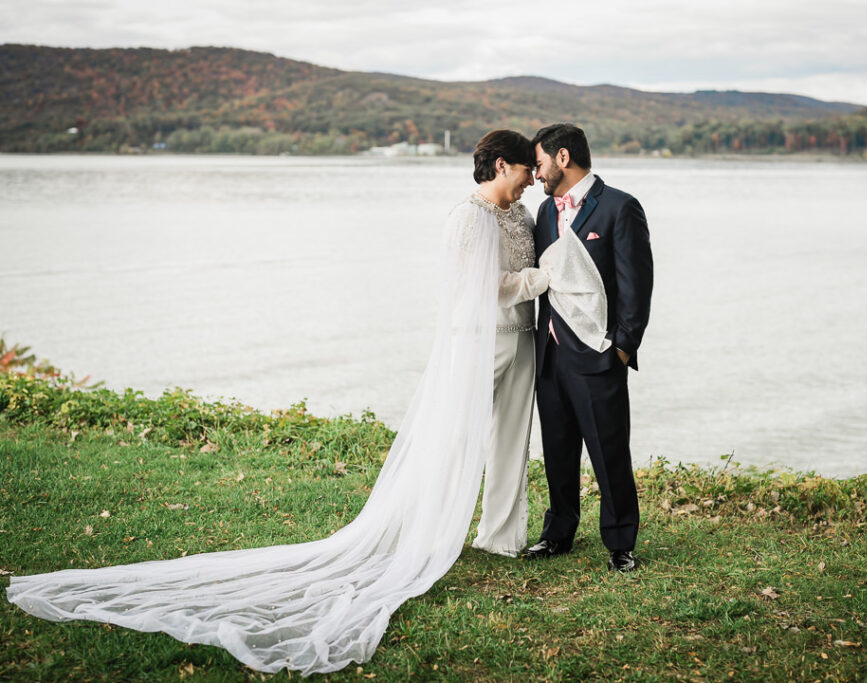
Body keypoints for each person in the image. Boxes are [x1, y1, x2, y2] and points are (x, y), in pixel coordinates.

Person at [6, 130, 550, 675]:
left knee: (510, 442)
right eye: (526, 168)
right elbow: (474, 286)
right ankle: (429, 535)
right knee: (453, 440)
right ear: (500, 165)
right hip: (475, 338)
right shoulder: (466, 218)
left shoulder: (521, 217)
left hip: (520, 336)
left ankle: (501, 537)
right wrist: (541, 279)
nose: (532, 178)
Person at [523, 123, 654, 573]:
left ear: (563, 158)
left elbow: (636, 285)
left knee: (609, 450)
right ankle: (558, 533)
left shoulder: (620, 207)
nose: (536, 173)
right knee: (558, 448)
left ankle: (620, 543)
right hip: (551, 353)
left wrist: (622, 346)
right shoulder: (543, 213)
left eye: (539, 163)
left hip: (599, 354)